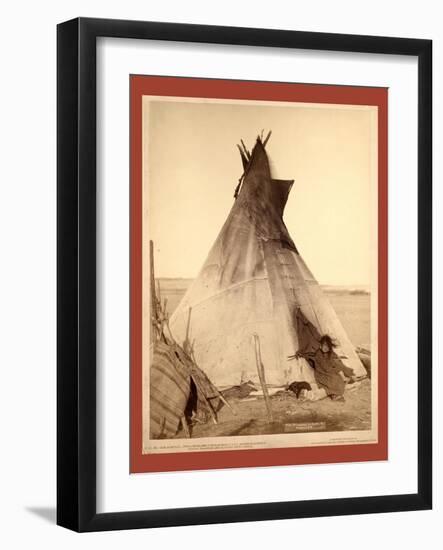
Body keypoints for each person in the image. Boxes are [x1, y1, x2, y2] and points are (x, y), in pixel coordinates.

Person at [288, 335, 355, 401]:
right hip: (322, 373)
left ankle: (334, 392)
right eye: (324, 345)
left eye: (327, 346)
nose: (325, 348)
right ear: (321, 345)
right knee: (335, 379)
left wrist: (338, 365)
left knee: (338, 376)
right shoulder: (318, 354)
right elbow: (325, 367)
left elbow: (336, 360)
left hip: (329, 372)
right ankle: (333, 394)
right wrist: (336, 368)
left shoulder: (330, 353)